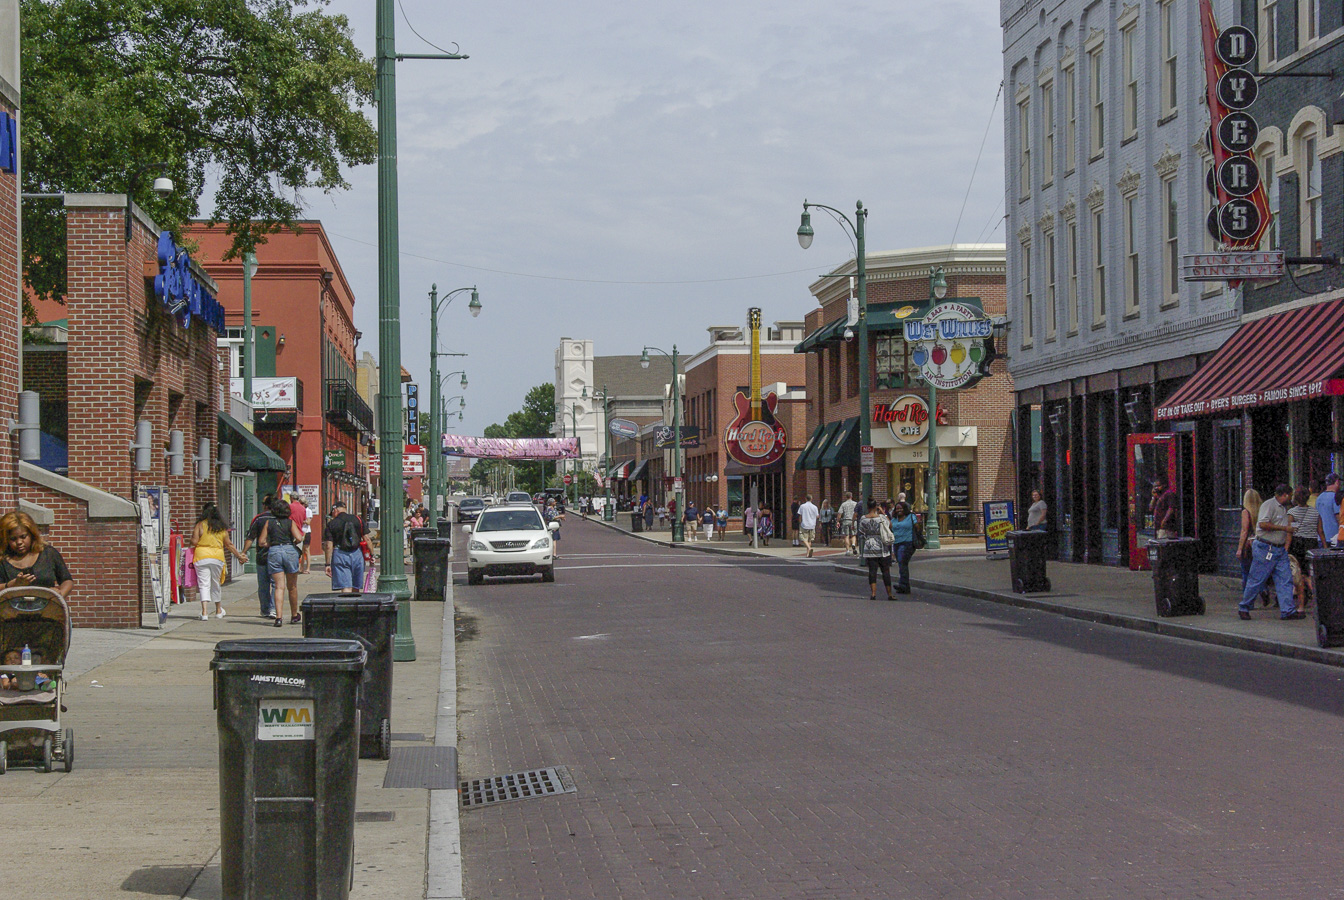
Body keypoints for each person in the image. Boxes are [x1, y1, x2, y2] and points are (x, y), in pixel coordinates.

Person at [1238, 484, 1304, 620]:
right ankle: (1244, 606)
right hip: (1266, 547)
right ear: (1285, 495)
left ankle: (1287, 610)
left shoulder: (1285, 509)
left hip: (1279, 549)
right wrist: (1284, 529)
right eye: (1290, 495)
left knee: (1285, 579)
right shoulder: (1269, 505)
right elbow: (1262, 524)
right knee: (1257, 579)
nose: (1291, 498)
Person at [189, 504, 247, 621]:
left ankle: (204, 612)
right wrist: (239, 556)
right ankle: (218, 610)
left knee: (204, 584)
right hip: (217, 557)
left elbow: (194, 542)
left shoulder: (200, 525)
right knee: (216, 583)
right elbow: (229, 544)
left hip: (201, 557)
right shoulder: (221, 527)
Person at [0, 510, 74, 599]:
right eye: (13, 539)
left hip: (47, 609)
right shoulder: (2, 560)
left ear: (32, 534)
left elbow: (67, 580)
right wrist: (11, 585)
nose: (19, 542)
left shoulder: (48, 553)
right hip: (12, 611)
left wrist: (59, 595)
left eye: (23, 537)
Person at [260, 498, 305, 627]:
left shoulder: (269, 523)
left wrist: (272, 544)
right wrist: (292, 544)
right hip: (289, 550)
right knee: (292, 586)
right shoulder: (290, 523)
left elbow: (261, 542)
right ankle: (294, 615)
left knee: (279, 586)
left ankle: (278, 617)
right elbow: (299, 537)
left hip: (274, 551)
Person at [1288, 486, 1325, 609]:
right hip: (1312, 544)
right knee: (1310, 573)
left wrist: (1286, 548)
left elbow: (1291, 531)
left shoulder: (1292, 512)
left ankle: (1302, 604)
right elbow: (1320, 531)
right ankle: (1317, 599)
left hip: (1298, 544)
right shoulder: (1315, 512)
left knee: (1299, 575)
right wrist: (1324, 546)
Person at [241, 494, 277, 617]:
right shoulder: (281, 518)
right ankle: (273, 608)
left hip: (262, 555)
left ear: (265, 506)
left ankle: (265, 609)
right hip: (277, 554)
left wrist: (244, 552)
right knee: (276, 583)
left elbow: (250, 537)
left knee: (263, 584)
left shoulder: (258, 519)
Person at [322, 500, 366, 594]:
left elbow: (329, 545)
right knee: (356, 587)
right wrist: (372, 555)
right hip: (357, 553)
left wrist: (327, 564)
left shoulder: (332, 524)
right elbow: (367, 539)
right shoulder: (358, 519)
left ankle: (346, 606)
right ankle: (355, 607)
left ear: (335, 510)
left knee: (346, 586)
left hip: (340, 553)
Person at [856, 499, 896, 601]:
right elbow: (890, 525)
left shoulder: (863, 519)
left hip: (869, 545)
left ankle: (873, 593)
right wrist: (883, 512)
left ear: (868, 507)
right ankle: (890, 594)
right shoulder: (881, 518)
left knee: (872, 571)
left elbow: (861, 531)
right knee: (885, 571)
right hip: (882, 545)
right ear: (876, 507)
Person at [1235, 488, 1263, 592]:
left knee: (1246, 572)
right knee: (1259, 570)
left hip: (1248, 545)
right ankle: (1263, 588)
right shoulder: (1262, 510)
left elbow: (1244, 530)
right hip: (1260, 543)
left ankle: (1248, 598)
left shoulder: (1245, 512)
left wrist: (1239, 548)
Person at [890, 500, 920, 595]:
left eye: (900, 508)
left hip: (908, 543)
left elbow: (917, 526)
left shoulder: (911, 517)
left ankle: (903, 584)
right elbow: (890, 527)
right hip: (897, 543)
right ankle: (904, 585)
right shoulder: (894, 519)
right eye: (897, 508)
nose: (899, 510)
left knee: (902, 562)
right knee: (901, 563)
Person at [1317, 474, 1341, 548]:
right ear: (1337, 482)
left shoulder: (1319, 498)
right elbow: (1339, 517)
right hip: (1335, 537)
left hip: (1321, 538)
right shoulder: (1335, 497)